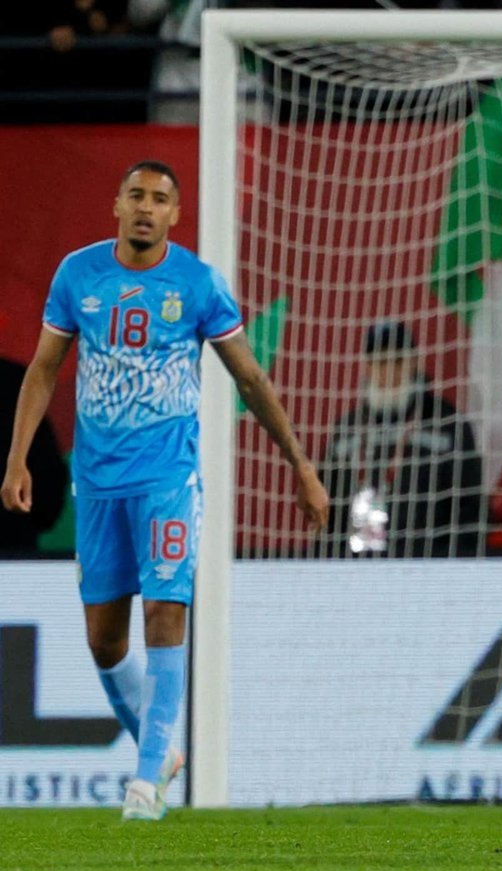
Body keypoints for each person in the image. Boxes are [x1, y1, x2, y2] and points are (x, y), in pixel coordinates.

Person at [1, 160, 328, 821]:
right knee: (103, 639)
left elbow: (252, 381)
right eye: (137, 196)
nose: (147, 208)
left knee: (166, 612)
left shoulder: (198, 284)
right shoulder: (78, 275)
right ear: (116, 205)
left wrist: (300, 464)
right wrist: (16, 460)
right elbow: (42, 371)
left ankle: (147, 783)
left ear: (176, 215)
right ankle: (160, 752)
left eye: (160, 199)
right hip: (95, 482)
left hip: (168, 477)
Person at [319, 321, 485, 559]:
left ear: (415, 362)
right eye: (380, 362)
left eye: (397, 361)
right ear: (367, 367)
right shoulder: (347, 429)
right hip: (354, 571)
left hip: (428, 569)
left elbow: (471, 510)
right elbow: (325, 509)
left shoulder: (449, 425)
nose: (389, 372)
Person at [0, 350, 69, 554]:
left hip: (13, 548)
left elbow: (47, 475)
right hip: (14, 546)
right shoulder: (13, 379)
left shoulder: (14, 383)